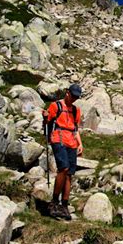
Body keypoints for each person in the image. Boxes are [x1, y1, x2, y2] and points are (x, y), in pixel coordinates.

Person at [43, 83, 83, 220]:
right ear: (67, 93)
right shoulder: (56, 106)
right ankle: (54, 202)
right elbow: (48, 120)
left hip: (71, 140)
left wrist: (80, 144)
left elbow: (76, 129)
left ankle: (64, 205)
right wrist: (45, 116)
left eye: (76, 97)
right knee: (64, 168)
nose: (74, 99)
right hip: (58, 137)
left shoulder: (76, 111)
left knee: (70, 174)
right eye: (73, 96)